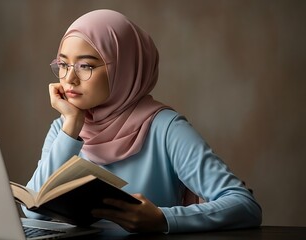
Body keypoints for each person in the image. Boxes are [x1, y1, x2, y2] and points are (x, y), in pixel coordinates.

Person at [22, 9, 262, 233]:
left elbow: (244, 205)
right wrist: (72, 126)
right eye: (63, 64)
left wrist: (163, 219)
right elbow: (33, 211)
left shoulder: (165, 128)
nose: (70, 78)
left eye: (85, 66)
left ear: (125, 68)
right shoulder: (64, 128)